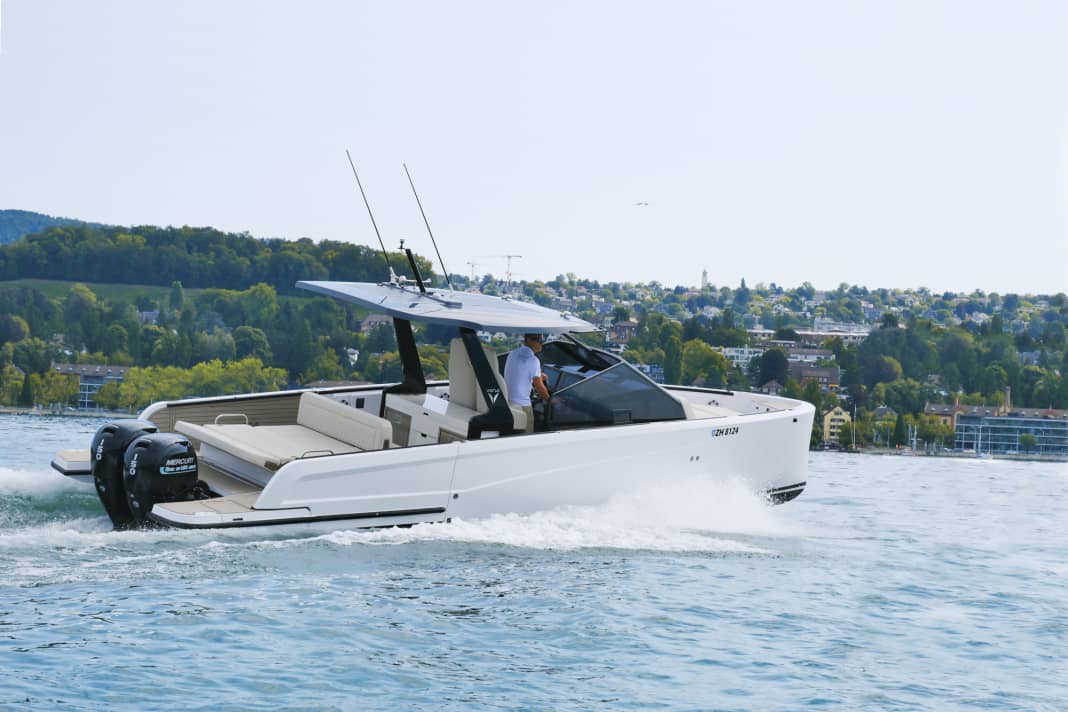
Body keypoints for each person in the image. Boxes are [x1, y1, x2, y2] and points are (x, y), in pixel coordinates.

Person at [504, 333, 550, 433]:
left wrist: (539, 375)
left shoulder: (512, 354)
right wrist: (550, 400)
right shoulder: (533, 360)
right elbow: (539, 387)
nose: (542, 344)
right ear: (529, 340)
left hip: (508, 402)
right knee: (527, 436)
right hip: (523, 405)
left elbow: (519, 372)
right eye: (540, 341)